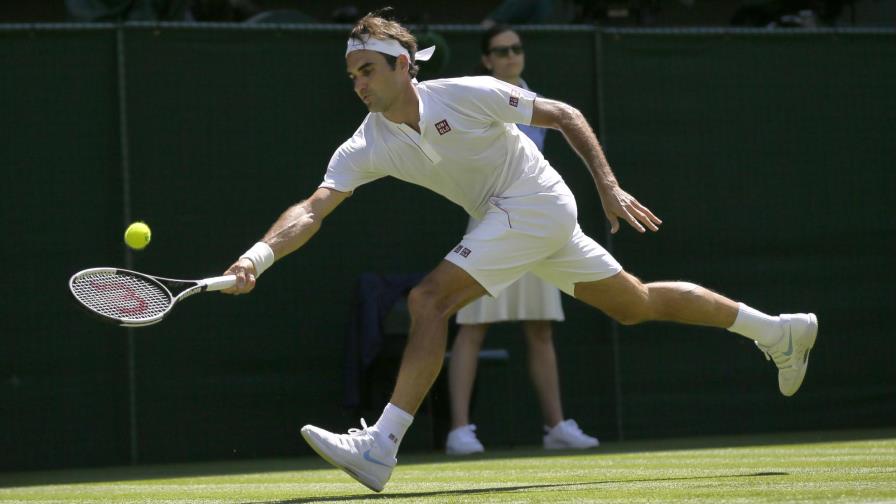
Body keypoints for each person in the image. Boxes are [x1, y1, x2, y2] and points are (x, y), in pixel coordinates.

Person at [222, 9, 818, 493]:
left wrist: (607, 185)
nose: (359, 84)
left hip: (535, 201)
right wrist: (257, 257)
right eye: (352, 75)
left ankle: (381, 446)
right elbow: (311, 208)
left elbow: (564, 115)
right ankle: (777, 331)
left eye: (368, 70)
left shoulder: (469, 93)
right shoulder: (365, 144)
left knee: (429, 300)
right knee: (633, 303)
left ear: (403, 66)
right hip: (515, 220)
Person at [444, 25, 597, 456]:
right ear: (487, 59)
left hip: (533, 223)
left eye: (517, 49)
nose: (512, 56)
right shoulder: (477, 95)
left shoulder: (536, 100)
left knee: (540, 329)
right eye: (501, 51)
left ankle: (556, 427)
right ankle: (459, 430)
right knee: (472, 327)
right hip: (488, 223)